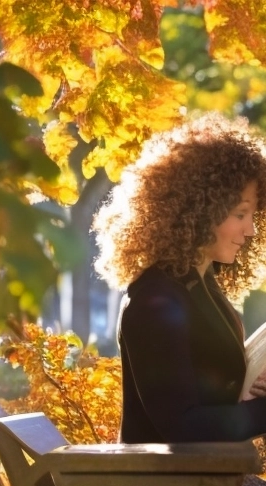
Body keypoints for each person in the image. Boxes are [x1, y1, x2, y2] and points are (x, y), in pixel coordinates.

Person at [92, 111, 266, 444]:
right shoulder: (154, 300)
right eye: (240, 214)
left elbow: (215, 393)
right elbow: (181, 427)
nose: (251, 230)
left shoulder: (201, 287)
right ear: (200, 210)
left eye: (253, 214)